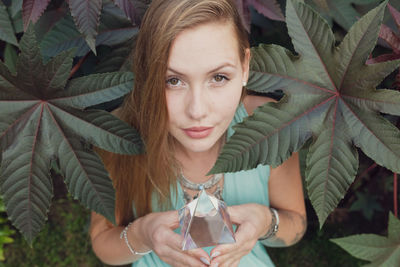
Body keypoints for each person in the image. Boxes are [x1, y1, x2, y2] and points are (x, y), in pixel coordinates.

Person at [90, 0, 306, 266]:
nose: (197, 110)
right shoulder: (117, 135)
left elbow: (295, 224)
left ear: (245, 67)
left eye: (218, 78)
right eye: (173, 81)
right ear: (146, 74)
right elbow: (103, 243)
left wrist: (265, 222)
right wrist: (144, 234)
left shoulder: (271, 124)